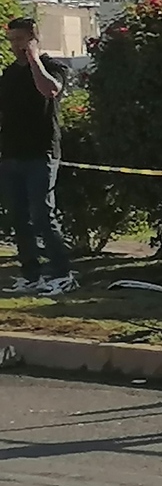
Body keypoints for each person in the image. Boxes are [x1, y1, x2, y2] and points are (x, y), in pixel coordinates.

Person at [0, 16, 76, 296]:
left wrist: (34, 60)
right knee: (19, 218)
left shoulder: (54, 67)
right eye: (11, 40)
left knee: (43, 214)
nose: (15, 45)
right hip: (10, 154)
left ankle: (62, 273)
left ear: (33, 38)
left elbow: (50, 90)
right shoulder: (8, 74)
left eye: (20, 39)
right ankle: (31, 275)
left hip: (40, 153)